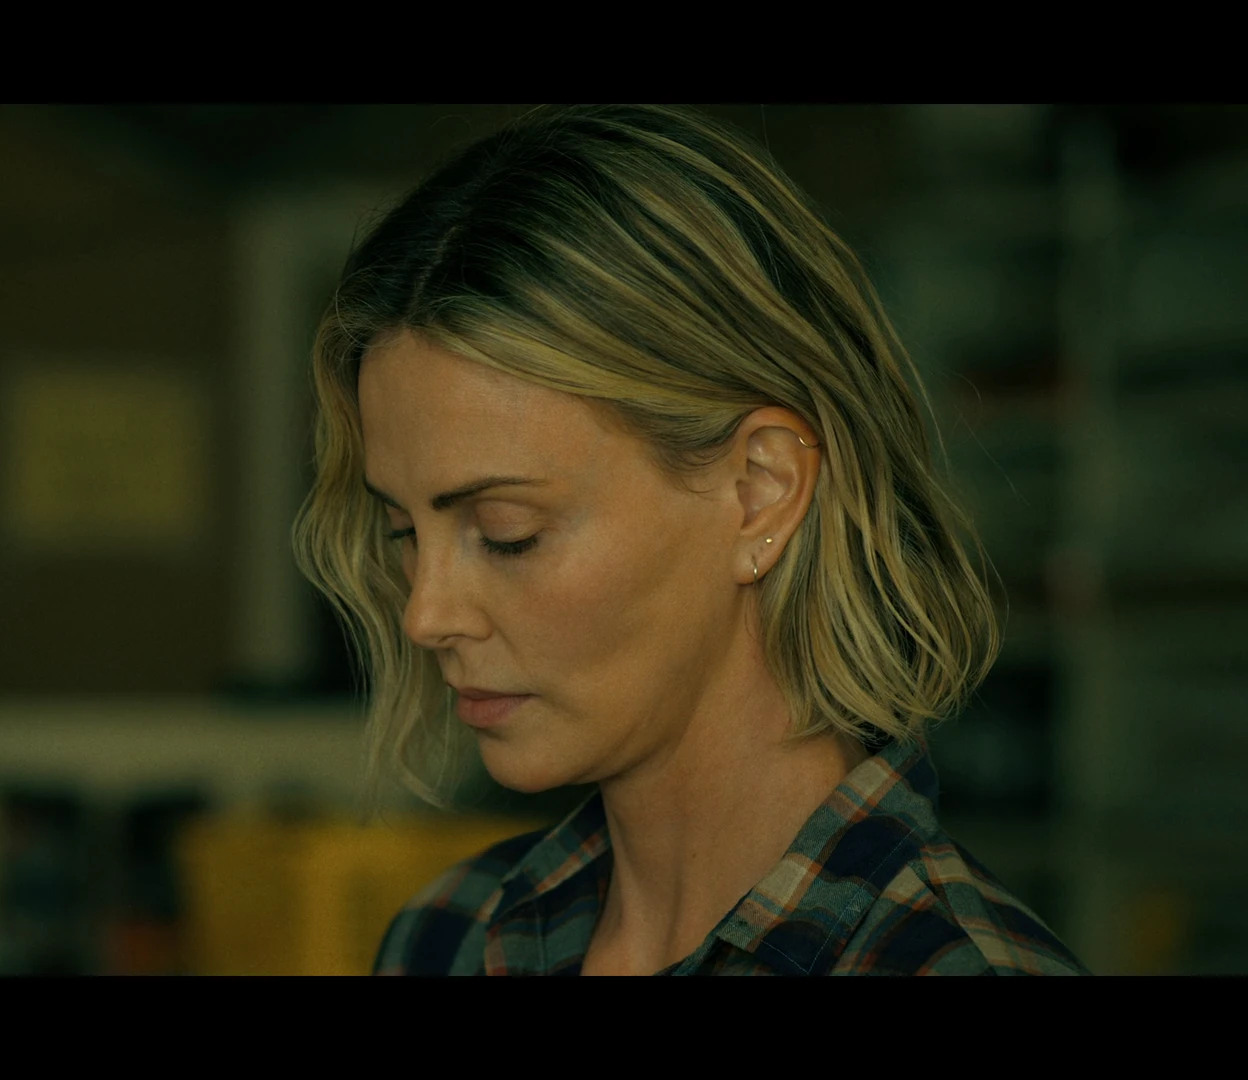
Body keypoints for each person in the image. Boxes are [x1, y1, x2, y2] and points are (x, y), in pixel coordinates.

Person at [293, 104, 1086, 976]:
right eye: (405, 530)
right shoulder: (442, 939)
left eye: (506, 533)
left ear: (760, 491)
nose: (424, 614)